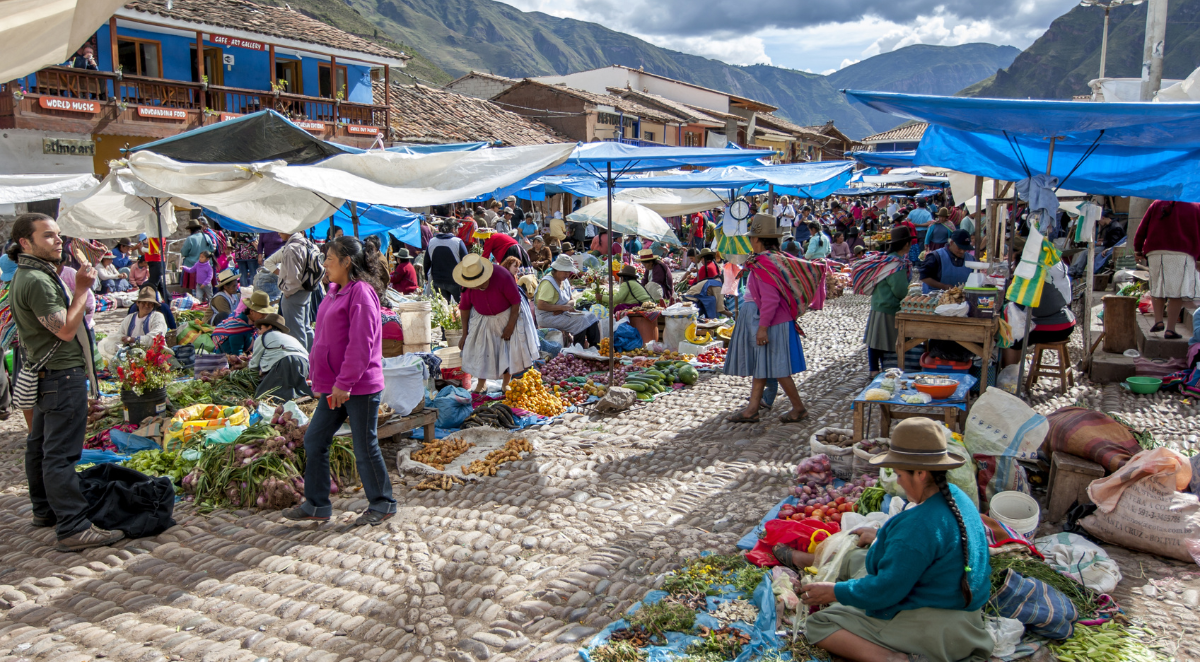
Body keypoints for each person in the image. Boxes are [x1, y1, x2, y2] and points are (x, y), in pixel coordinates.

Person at [795, 417, 993, 662]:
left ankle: (893, 658)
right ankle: (808, 560)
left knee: (820, 624)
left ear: (920, 473)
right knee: (857, 557)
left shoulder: (918, 527)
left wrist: (836, 593)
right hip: (961, 607)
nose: (898, 482)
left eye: (899, 475)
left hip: (939, 625)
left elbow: (884, 592)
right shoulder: (956, 496)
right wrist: (880, 537)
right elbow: (928, 547)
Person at [8, 213, 118, 551]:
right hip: (60, 374)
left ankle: (45, 510)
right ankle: (73, 526)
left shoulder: (31, 274)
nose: (58, 240)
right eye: (47, 235)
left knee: (40, 445)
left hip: (50, 374)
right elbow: (67, 330)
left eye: (57, 234)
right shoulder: (37, 280)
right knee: (60, 454)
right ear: (25, 243)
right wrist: (82, 290)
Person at [284, 236, 395, 526]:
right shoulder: (334, 291)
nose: (325, 264)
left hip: (358, 386)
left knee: (364, 446)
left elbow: (361, 344)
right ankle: (317, 504)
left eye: (330, 259)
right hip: (336, 386)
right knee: (315, 439)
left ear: (347, 262)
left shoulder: (361, 293)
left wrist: (345, 383)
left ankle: (383, 503)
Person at [724, 214, 808, 425]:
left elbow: (771, 299)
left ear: (757, 239)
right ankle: (752, 409)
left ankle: (798, 408)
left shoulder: (764, 263)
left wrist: (763, 327)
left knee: (779, 369)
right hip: (769, 319)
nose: (750, 241)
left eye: (751, 237)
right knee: (763, 364)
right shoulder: (771, 259)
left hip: (771, 321)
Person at [456, 254, 540, 393]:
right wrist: (465, 334)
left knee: (507, 350)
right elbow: (464, 308)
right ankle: (481, 384)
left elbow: (515, 302)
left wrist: (510, 326)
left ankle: (506, 383)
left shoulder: (502, 276)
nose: (476, 287)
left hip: (506, 314)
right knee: (481, 350)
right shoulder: (467, 283)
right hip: (482, 317)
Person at [1134, 200, 1200, 340]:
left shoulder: (1157, 203)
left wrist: (1138, 249)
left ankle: (1158, 321)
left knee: (1157, 286)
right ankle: (1170, 329)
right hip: (1182, 252)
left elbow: (1142, 228)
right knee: (1176, 292)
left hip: (1155, 251)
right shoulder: (1195, 206)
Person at [861, 227, 916, 377]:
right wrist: (911, 296)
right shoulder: (896, 264)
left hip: (879, 303)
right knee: (882, 339)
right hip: (888, 306)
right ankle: (881, 369)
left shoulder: (888, 259)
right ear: (906, 244)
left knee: (876, 339)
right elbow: (900, 290)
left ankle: (874, 369)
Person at [1003, 261, 1077, 368]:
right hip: (1068, 320)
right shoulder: (1055, 265)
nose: (1012, 267)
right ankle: (1013, 370)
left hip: (1056, 326)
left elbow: (1024, 308)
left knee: (1012, 336)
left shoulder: (1035, 277)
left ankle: (1009, 372)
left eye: (1014, 265)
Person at [536, 255, 601, 347]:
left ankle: (595, 346)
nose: (567, 275)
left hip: (561, 313)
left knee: (591, 316)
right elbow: (541, 305)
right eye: (565, 272)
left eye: (568, 272)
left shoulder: (564, 281)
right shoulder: (548, 283)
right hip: (547, 317)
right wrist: (562, 308)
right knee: (580, 321)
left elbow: (571, 300)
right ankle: (578, 349)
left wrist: (563, 308)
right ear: (557, 269)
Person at [249, 313, 313, 401]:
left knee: (265, 395)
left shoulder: (263, 336)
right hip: (304, 365)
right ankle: (303, 394)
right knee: (295, 387)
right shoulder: (291, 338)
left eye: (261, 328)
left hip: (285, 362)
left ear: (269, 327)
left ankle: (292, 398)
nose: (259, 332)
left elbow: (254, 365)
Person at [277, 231, 318, 350]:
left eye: (280, 230)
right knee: (305, 327)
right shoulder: (307, 243)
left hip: (294, 293)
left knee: (296, 332)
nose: (278, 233)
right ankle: (311, 356)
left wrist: (287, 292)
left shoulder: (292, 248)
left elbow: (293, 278)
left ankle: (302, 359)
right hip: (306, 290)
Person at [212, 289, 274, 356]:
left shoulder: (253, 326)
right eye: (262, 313)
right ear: (251, 311)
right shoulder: (237, 328)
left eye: (266, 314)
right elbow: (237, 355)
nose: (265, 317)